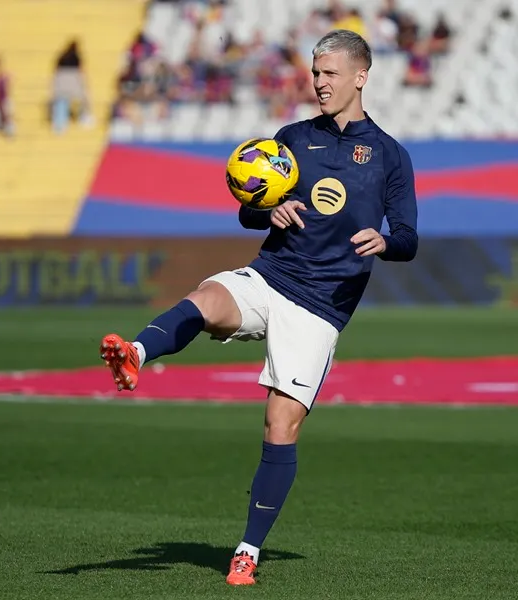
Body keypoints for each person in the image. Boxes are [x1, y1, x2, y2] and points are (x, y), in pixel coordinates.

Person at [98, 29, 418, 586]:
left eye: (330, 74)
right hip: (272, 274)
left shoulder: (389, 154)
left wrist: (386, 243)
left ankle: (246, 551)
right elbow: (250, 206)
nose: (319, 83)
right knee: (206, 298)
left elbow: (410, 236)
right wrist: (268, 212)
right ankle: (136, 351)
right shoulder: (292, 136)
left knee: (279, 424)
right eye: (315, 73)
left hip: (321, 306)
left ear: (360, 77)